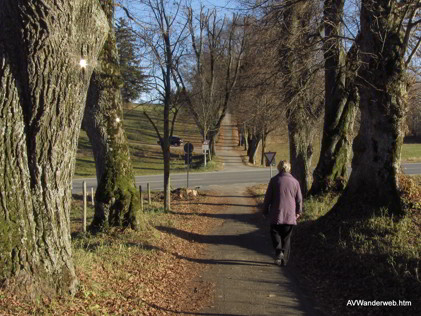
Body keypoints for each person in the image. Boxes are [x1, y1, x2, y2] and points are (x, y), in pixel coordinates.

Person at [262, 160, 302, 266]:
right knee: (287, 237)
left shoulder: (274, 180)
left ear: (279, 168)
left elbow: (268, 198)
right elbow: (299, 199)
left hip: (276, 213)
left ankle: (279, 251)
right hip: (290, 214)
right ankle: (284, 260)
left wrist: (265, 211)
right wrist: (298, 211)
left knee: (274, 232)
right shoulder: (295, 182)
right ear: (289, 168)